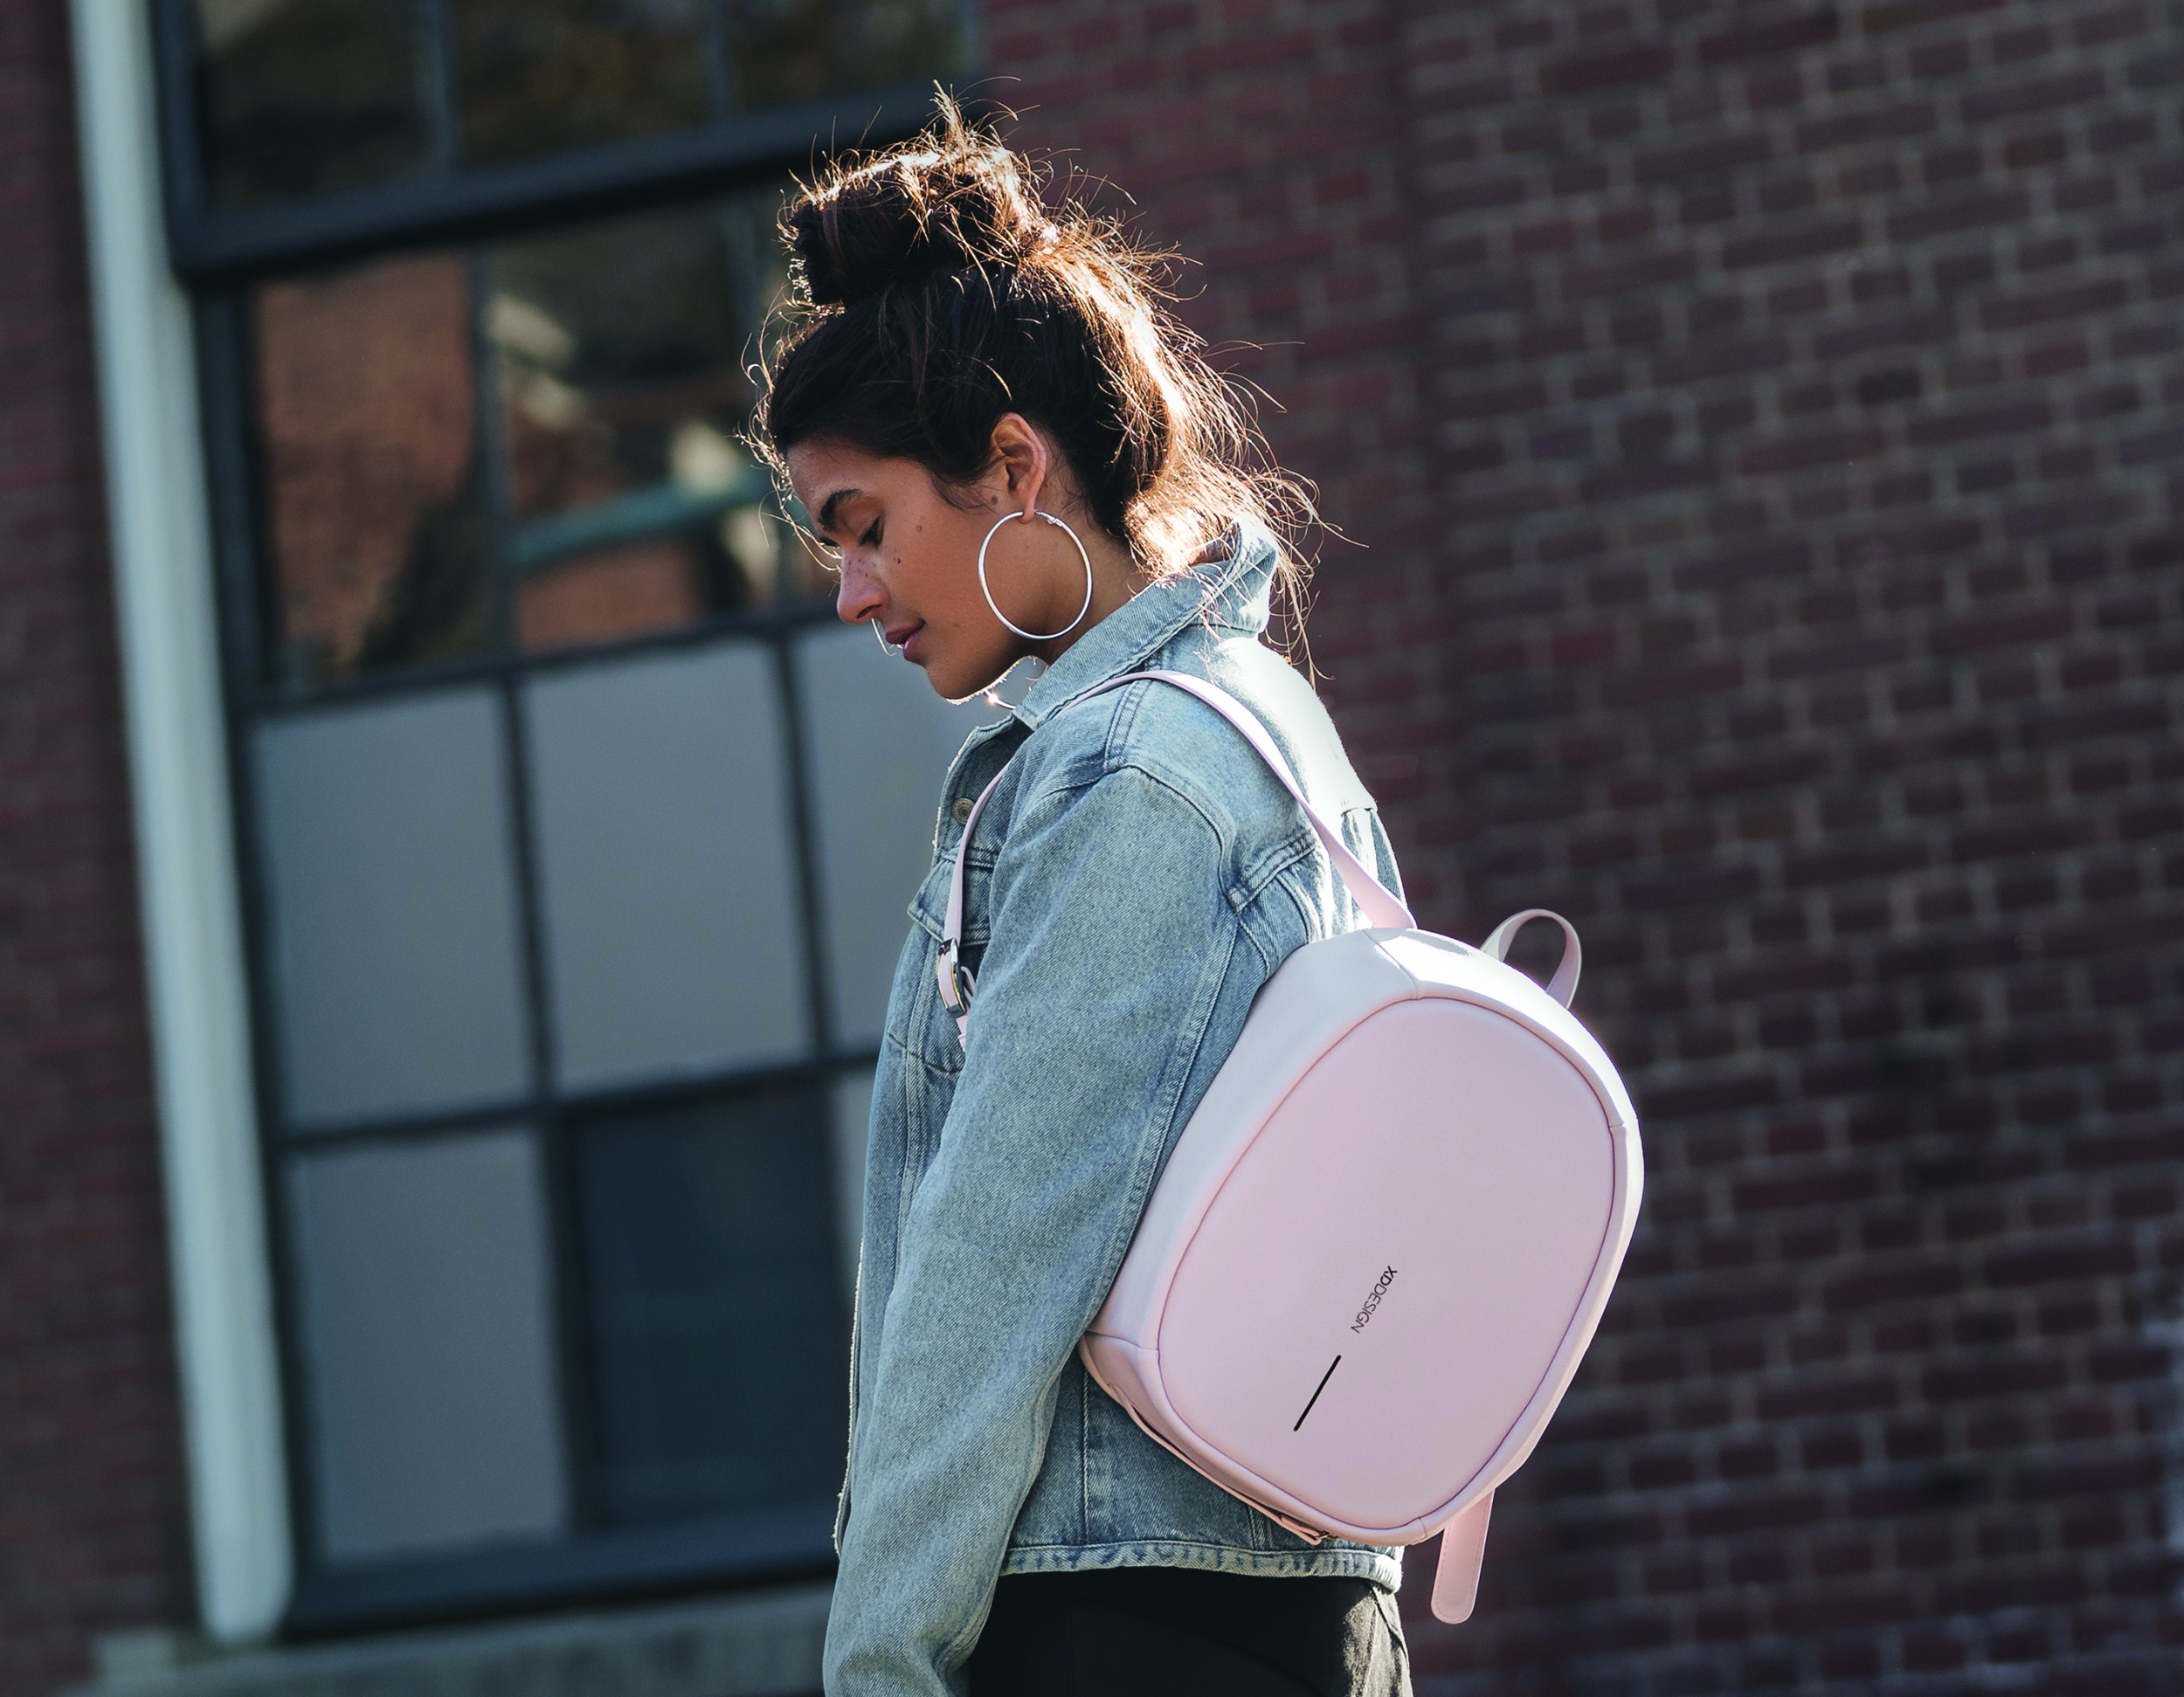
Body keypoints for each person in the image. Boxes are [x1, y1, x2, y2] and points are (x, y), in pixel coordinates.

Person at [757, 102, 1414, 1697]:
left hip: (1125, 1621)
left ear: (1012, 464)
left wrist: (882, 1663)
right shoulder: (1268, 726)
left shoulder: (1128, 777)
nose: (850, 593)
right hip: (1285, 1603)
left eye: (865, 528)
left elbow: (994, 1268)